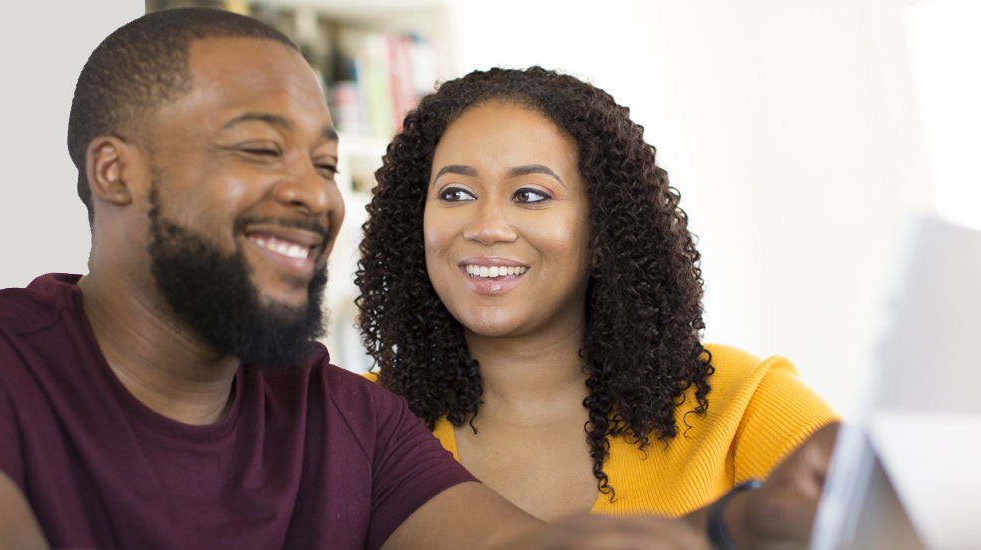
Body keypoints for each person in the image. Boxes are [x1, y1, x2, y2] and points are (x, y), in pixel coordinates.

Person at [0, 8, 721, 550]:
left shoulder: (349, 419)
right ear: (116, 172)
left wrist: (731, 531)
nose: (313, 195)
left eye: (326, 164)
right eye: (260, 149)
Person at [357, 67, 842, 545]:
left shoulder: (744, 403)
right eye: (455, 193)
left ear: (602, 228)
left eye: (530, 195)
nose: (486, 227)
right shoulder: (357, 419)